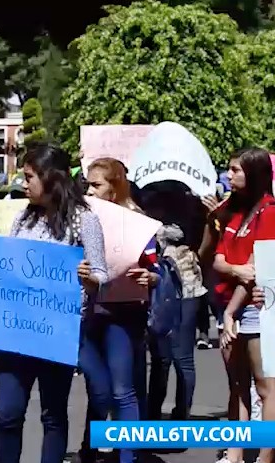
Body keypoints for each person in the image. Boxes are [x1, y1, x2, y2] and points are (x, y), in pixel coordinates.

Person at [0, 144, 108, 463]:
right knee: (8, 414)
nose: (24, 183)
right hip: (16, 331)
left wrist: (87, 276)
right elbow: (6, 264)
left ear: (51, 178)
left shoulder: (84, 219)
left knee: (53, 415)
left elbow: (101, 274)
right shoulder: (23, 217)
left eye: (30, 176)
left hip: (55, 332)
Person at [78, 158, 158, 463]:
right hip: (91, 311)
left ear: (114, 187)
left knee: (123, 389)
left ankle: (128, 456)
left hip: (124, 314)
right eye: (87, 184)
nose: (90, 191)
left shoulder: (137, 221)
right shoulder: (81, 216)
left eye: (96, 185)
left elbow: (154, 267)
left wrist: (150, 277)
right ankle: (90, 449)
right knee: (97, 388)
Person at [212, 148, 275, 463]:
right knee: (237, 385)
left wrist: (231, 310)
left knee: (267, 385)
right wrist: (233, 270)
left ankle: (266, 456)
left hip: (258, 306)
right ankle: (235, 454)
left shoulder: (270, 212)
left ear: (253, 173)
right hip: (229, 304)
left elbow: (257, 269)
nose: (229, 175)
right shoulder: (235, 211)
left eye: (236, 170)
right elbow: (218, 260)